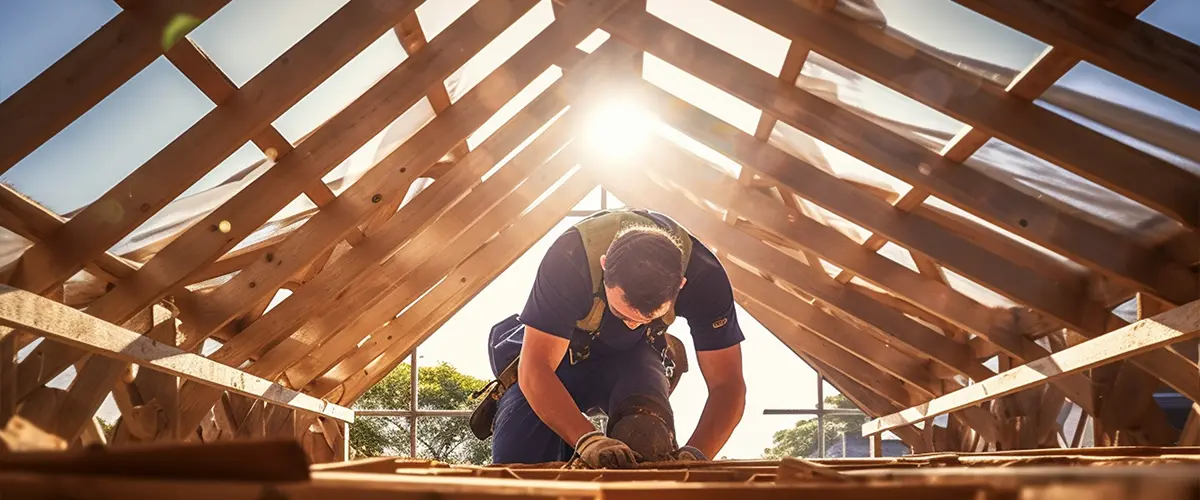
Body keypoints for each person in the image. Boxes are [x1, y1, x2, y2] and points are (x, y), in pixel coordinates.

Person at [481, 208, 746, 467]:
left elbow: (727, 384)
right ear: (605, 264)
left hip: (634, 361)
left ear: (680, 285)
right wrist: (588, 441)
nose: (631, 324)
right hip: (558, 360)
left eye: (646, 319)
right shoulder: (570, 259)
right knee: (518, 464)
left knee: (647, 435)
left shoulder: (707, 280)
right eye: (621, 313)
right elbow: (536, 366)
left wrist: (696, 454)